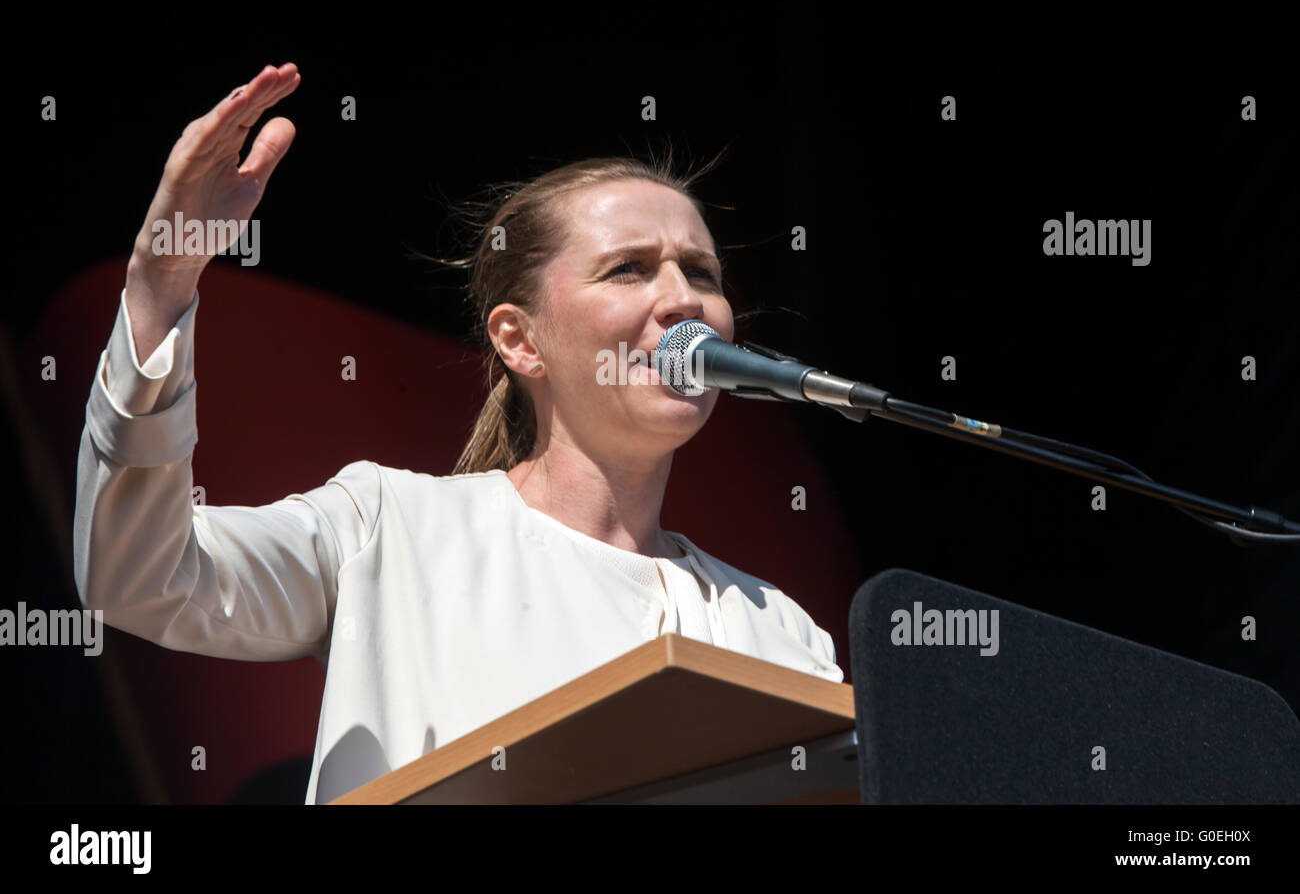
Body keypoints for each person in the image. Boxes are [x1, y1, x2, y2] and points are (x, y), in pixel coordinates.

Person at [73, 62, 844, 805]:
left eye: (702, 273)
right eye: (630, 269)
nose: (683, 301)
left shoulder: (777, 631)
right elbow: (138, 577)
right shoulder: (388, 531)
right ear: (520, 341)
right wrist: (159, 288)